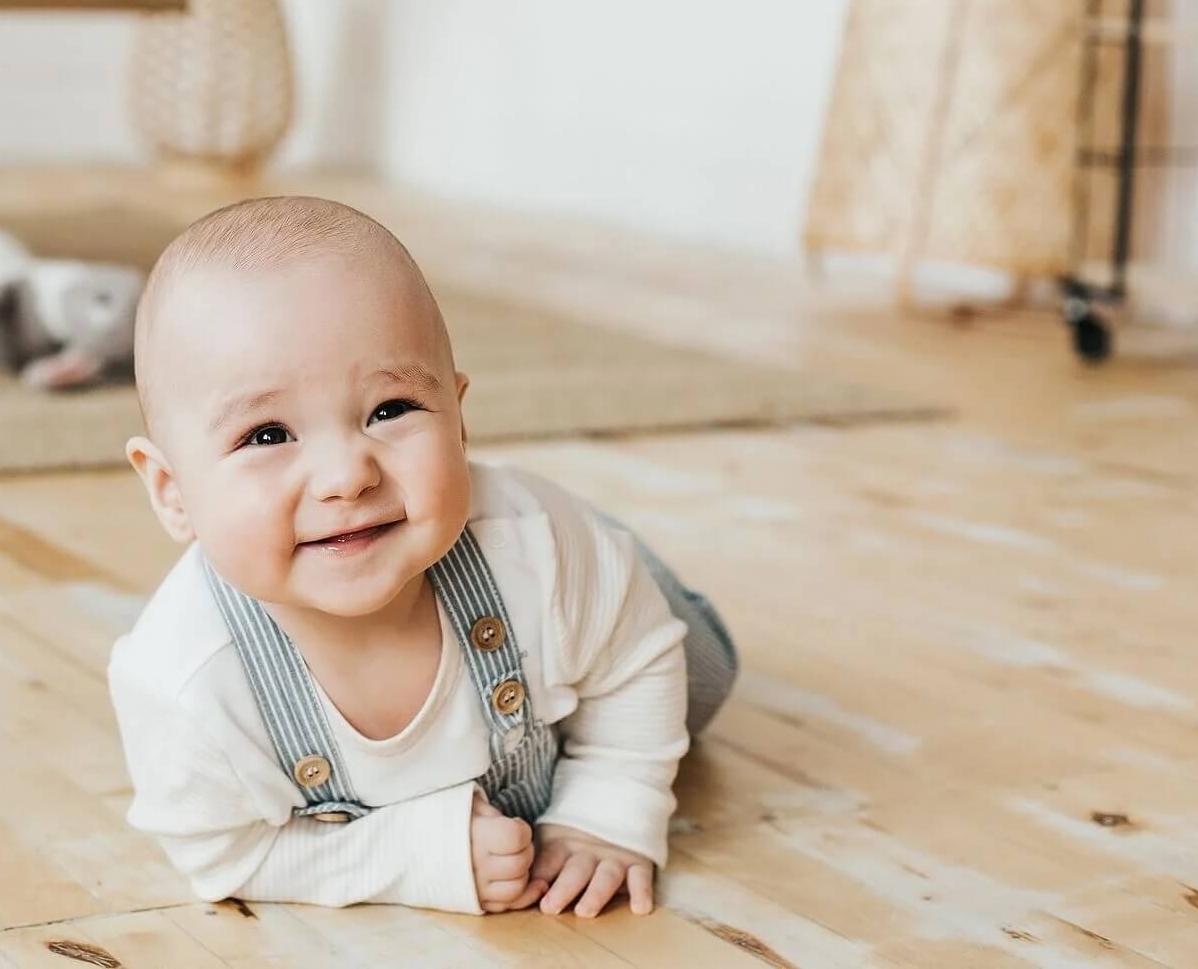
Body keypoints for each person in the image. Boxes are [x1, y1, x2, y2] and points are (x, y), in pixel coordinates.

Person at [108, 196, 737, 917]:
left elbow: (637, 656)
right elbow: (226, 852)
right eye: (267, 435)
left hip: (583, 592)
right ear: (172, 489)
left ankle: (614, 569)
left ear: (459, 420)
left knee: (700, 674)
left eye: (390, 410)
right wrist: (415, 856)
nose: (347, 475)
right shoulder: (183, 684)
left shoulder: (533, 549)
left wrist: (609, 809)